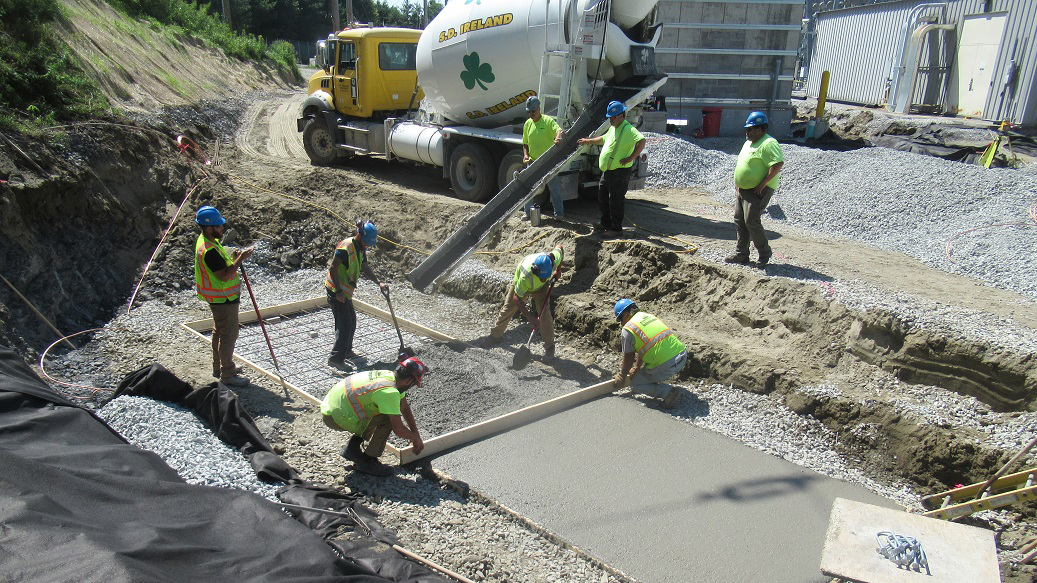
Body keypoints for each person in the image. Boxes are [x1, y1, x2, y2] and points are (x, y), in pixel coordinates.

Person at [321, 357, 427, 477]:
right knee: (388, 418)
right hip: (336, 417)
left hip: (332, 406)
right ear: (409, 381)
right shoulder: (390, 392)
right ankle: (368, 461)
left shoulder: (390, 376)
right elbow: (398, 429)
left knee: (380, 409)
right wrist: (415, 438)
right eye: (414, 384)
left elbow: (404, 407)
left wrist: (415, 433)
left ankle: (352, 448)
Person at [194, 206, 254, 387]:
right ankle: (228, 373)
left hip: (220, 297)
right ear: (209, 227)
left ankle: (219, 366)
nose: (223, 228)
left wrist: (233, 256)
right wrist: (240, 259)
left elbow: (222, 262)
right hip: (223, 298)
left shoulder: (208, 241)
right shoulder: (209, 250)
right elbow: (224, 275)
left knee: (219, 331)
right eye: (219, 226)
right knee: (229, 334)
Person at [326, 219, 389, 371]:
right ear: (360, 235)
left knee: (351, 321)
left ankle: (346, 351)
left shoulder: (360, 248)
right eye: (366, 242)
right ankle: (335, 358)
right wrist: (339, 291)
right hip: (336, 290)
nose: (367, 246)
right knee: (345, 324)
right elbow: (333, 268)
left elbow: (365, 268)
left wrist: (378, 282)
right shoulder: (346, 247)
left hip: (345, 292)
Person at [577, 100, 645, 238]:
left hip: (620, 172)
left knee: (616, 200)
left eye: (613, 117)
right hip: (608, 172)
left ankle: (616, 228)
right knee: (602, 198)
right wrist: (587, 141)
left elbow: (642, 141)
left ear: (621, 115)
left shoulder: (628, 129)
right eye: (609, 118)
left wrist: (630, 158)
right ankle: (605, 223)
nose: (611, 120)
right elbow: (603, 139)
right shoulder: (613, 129)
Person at [725, 111, 784, 268]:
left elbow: (777, 164)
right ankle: (741, 255)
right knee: (740, 221)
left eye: (750, 129)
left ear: (760, 129)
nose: (747, 132)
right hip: (743, 190)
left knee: (751, 221)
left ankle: (764, 253)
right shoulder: (748, 143)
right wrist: (739, 183)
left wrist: (763, 183)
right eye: (747, 129)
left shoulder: (768, 143)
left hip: (758, 190)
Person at [486, 244, 564, 360]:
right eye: (542, 277)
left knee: (544, 314)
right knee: (509, 307)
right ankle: (496, 335)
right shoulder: (525, 277)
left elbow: (560, 247)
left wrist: (558, 270)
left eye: (545, 277)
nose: (544, 279)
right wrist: (531, 318)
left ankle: (549, 348)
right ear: (535, 271)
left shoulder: (552, 259)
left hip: (541, 288)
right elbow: (517, 299)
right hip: (523, 285)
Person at [612, 298, 688, 409]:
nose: (621, 324)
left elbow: (628, 357)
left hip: (668, 364)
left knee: (635, 383)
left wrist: (622, 376)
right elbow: (646, 346)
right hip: (682, 355)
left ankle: (668, 393)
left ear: (626, 314)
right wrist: (637, 366)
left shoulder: (627, 329)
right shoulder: (647, 316)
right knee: (643, 371)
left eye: (620, 320)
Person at [521, 95, 565, 219]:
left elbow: (559, 130)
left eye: (532, 111)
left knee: (554, 188)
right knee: (529, 189)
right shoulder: (527, 124)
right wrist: (525, 155)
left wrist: (557, 137)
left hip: (548, 161)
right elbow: (525, 143)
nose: (531, 114)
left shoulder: (547, 121)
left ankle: (559, 214)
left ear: (539, 109)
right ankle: (528, 213)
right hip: (533, 161)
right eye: (528, 112)